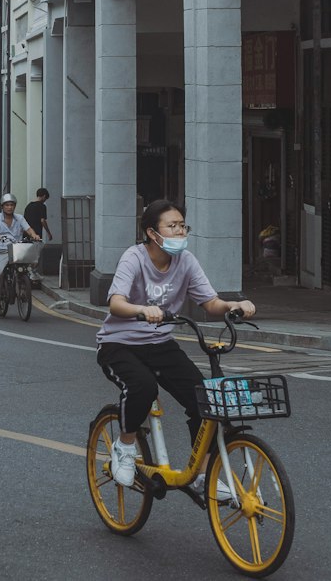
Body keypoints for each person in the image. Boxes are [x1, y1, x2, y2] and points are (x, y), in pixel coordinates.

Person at [97, 199, 256, 487]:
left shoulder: (186, 261)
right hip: (119, 344)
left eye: (182, 225)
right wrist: (142, 310)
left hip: (160, 344)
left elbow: (210, 302)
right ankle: (125, 445)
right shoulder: (134, 258)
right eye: (172, 226)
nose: (180, 231)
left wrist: (234, 304)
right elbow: (116, 303)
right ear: (152, 233)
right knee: (143, 387)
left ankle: (204, 474)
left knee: (205, 400)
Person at [0, 194, 36, 308]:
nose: (9, 207)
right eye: (7, 205)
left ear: (15, 206)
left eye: (12, 205)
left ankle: (23, 287)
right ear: (3, 206)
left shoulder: (19, 218)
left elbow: (28, 229)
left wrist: (34, 235)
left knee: (28, 266)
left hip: (16, 250)